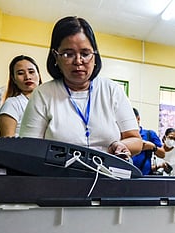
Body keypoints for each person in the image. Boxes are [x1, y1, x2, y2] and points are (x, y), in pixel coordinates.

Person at [20, 16, 141, 157]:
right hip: (59, 176)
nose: (78, 61)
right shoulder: (43, 94)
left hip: (107, 174)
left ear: (95, 55)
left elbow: (136, 140)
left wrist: (122, 145)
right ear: (55, 56)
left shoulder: (111, 90)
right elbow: (28, 148)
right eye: (68, 54)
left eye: (85, 54)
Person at [0, 55, 42, 137]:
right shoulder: (12, 104)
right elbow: (7, 143)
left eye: (31, 72)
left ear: (39, 75)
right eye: (20, 73)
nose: (27, 77)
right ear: (14, 79)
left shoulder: (48, 101)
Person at [131, 108, 165, 175]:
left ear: (138, 119)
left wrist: (152, 146)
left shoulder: (149, 134)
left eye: (131, 120)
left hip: (144, 177)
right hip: (124, 177)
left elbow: (162, 154)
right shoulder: (121, 134)